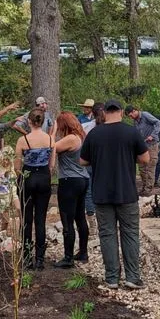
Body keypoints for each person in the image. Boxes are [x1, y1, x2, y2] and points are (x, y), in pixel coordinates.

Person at [79, 99, 149, 289]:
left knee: (107, 234)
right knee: (130, 233)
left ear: (104, 112)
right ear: (120, 111)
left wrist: (99, 157)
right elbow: (145, 158)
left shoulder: (94, 134)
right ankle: (132, 277)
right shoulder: (131, 132)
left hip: (101, 193)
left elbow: (83, 161)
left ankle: (111, 278)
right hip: (126, 191)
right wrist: (128, 155)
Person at [15, 108, 54, 269]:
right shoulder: (50, 139)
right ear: (43, 121)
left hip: (28, 176)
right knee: (41, 219)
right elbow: (52, 164)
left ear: (29, 122)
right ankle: (40, 258)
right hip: (44, 177)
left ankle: (26, 256)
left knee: (26, 219)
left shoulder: (23, 140)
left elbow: (17, 165)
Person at [53, 111, 90, 267]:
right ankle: (83, 252)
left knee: (67, 218)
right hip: (82, 178)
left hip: (69, 180)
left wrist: (53, 132)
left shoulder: (70, 139)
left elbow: (51, 147)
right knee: (80, 217)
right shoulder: (82, 137)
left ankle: (68, 257)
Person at [126, 104, 160, 196]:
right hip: (142, 146)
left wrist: (153, 135)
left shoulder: (145, 115)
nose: (131, 117)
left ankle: (148, 189)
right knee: (142, 168)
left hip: (152, 145)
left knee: (150, 167)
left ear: (135, 111)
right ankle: (144, 186)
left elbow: (158, 123)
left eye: (131, 115)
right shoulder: (135, 121)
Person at [83, 103, 104, 221]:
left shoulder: (85, 127)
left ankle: (91, 218)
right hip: (105, 163)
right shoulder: (109, 127)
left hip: (89, 161)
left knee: (89, 190)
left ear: (92, 112)